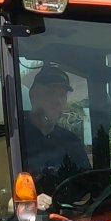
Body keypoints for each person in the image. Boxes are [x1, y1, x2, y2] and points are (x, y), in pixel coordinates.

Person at [21, 64, 91, 209]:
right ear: (33, 95)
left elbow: (89, 187)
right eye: (51, 93)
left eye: (62, 95)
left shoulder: (72, 142)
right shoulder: (14, 139)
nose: (58, 100)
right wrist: (29, 202)